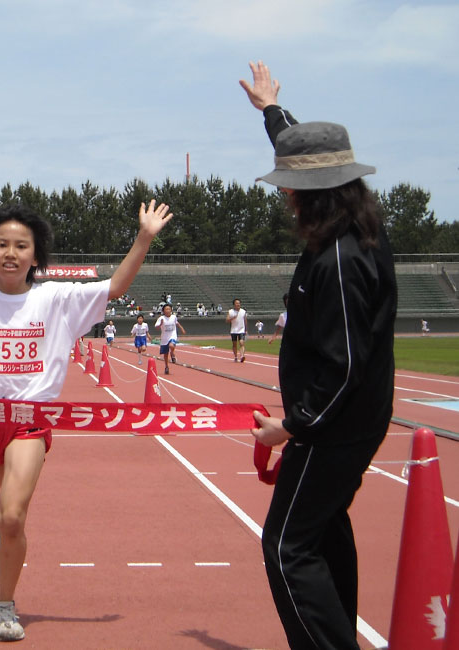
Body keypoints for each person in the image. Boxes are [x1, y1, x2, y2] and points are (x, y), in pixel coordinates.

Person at [0, 194, 172, 641]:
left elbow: (114, 287)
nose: (10, 253)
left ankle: (5, 603)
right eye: (1, 244)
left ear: (35, 255)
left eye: (21, 246)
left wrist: (142, 239)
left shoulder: (57, 299)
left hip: (30, 421)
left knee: (12, 517)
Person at [242, 60, 397, 650]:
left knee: (286, 546)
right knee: (324, 532)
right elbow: (308, 151)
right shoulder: (358, 229)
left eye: (290, 182)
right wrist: (272, 112)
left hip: (334, 429)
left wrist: (293, 426)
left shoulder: (338, 259)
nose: (284, 190)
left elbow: (345, 363)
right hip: (353, 422)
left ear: (314, 193)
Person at [154, 303, 186, 375]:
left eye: (169, 309)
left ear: (171, 310)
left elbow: (177, 323)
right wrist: (160, 324)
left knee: (171, 345)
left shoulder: (174, 317)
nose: (168, 310)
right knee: (165, 354)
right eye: (166, 309)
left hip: (172, 335)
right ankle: (166, 367)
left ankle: (172, 353)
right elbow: (156, 327)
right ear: (163, 311)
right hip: (165, 337)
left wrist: (182, 329)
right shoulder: (161, 318)